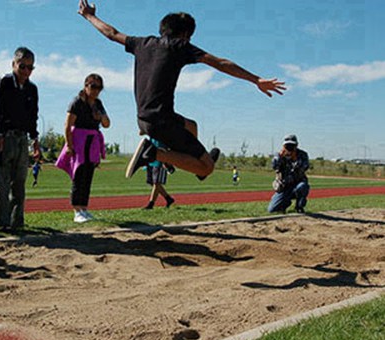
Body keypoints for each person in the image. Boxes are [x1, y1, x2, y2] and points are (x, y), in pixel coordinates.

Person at [78, 1, 286, 181]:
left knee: (191, 126)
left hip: (143, 118)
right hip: (161, 122)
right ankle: (155, 154)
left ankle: (176, 159)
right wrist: (256, 79)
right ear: (185, 35)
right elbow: (220, 62)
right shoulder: (179, 46)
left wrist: (89, 16)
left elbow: (111, 33)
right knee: (208, 167)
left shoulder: (142, 43)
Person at [0, 47, 41, 232]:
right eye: (22, 67)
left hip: (22, 138)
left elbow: (33, 115)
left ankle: (16, 220)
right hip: (4, 137)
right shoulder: (2, 82)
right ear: (14, 64)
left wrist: (35, 139)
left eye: (30, 68)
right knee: (0, 182)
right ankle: (2, 221)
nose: (26, 72)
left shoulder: (32, 89)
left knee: (19, 182)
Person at [56, 74, 110, 223]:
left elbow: (107, 124)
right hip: (79, 140)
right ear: (85, 86)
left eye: (99, 87)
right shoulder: (77, 102)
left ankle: (84, 209)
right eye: (93, 86)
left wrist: (100, 117)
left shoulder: (98, 104)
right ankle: (76, 210)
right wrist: (69, 145)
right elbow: (67, 125)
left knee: (88, 175)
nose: (96, 90)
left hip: (92, 141)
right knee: (78, 175)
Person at [268, 134, 310, 214]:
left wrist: (295, 160)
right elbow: (274, 167)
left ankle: (299, 206)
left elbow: (305, 167)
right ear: (283, 145)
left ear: (296, 145)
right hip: (285, 186)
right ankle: (285, 203)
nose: (289, 148)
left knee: (303, 187)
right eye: (287, 145)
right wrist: (280, 157)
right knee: (272, 209)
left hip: (298, 183)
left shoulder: (302, 155)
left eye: (292, 145)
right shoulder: (279, 155)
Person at [143, 139, 175, 210]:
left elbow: (170, 145)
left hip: (161, 159)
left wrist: (168, 161)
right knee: (152, 182)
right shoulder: (151, 132)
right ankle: (168, 199)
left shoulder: (165, 133)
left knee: (157, 182)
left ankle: (151, 204)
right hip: (151, 159)